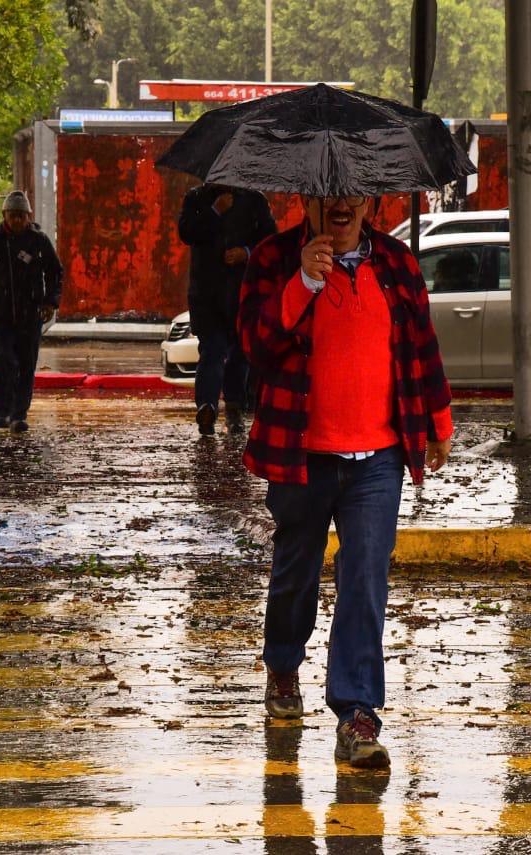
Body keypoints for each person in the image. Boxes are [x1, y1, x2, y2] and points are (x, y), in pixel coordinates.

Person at [238, 194, 454, 769]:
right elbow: (254, 346)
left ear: (369, 202)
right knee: (295, 573)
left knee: (364, 580)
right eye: (328, 194)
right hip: (300, 452)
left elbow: (422, 346)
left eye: (353, 194)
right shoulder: (273, 258)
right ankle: (283, 667)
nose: (341, 204)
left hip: (378, 457)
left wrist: (438, 421)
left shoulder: (397, 262)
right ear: (307, 200)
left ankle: (357, 714)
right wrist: (302, 284)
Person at [177, 183, 276, 435]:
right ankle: (207, 408)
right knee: (212, 349)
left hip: (242, 292)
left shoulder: (255, 200)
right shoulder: (196, 198)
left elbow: (270, 241)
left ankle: (234, 407)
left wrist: (246, 253)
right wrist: (215, 210)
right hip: (206, 295)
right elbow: (187, 232)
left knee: (240, 353)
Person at [0, 191, 63, 433]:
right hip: (1, 315)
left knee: (26, 364)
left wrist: (50, 302)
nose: (17, 220)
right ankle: (1, 410)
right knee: (5, 360)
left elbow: (55, 272)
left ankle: (19, 414)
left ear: (28, 216)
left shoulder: (39, 241)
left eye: (21, 216)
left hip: (31, 314)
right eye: (12, 216)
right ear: (4, 215)